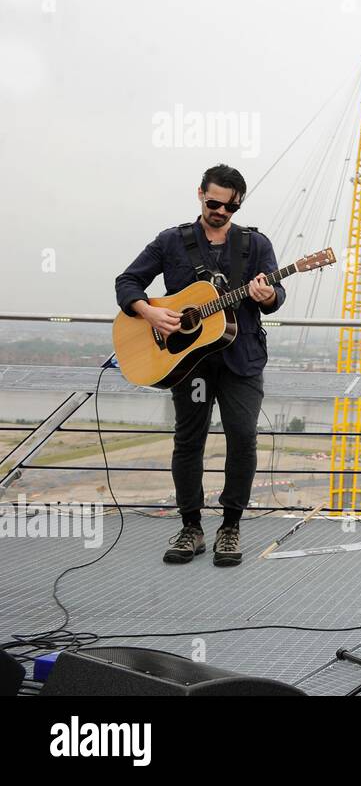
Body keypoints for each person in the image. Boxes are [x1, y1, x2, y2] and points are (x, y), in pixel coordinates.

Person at [115, 164, 285, 567]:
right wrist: (150, 313)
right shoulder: (171, 241)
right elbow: (127, 282)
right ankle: (191, 527)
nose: (221, 212)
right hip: (188, 363)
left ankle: (230, 526)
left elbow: (277, 294)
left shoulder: (255, 244)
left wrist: (265, 297)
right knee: (189, 441)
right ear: (200, 195)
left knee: (242, 439)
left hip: (240, 358)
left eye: (230, 206)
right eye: (214, 203)